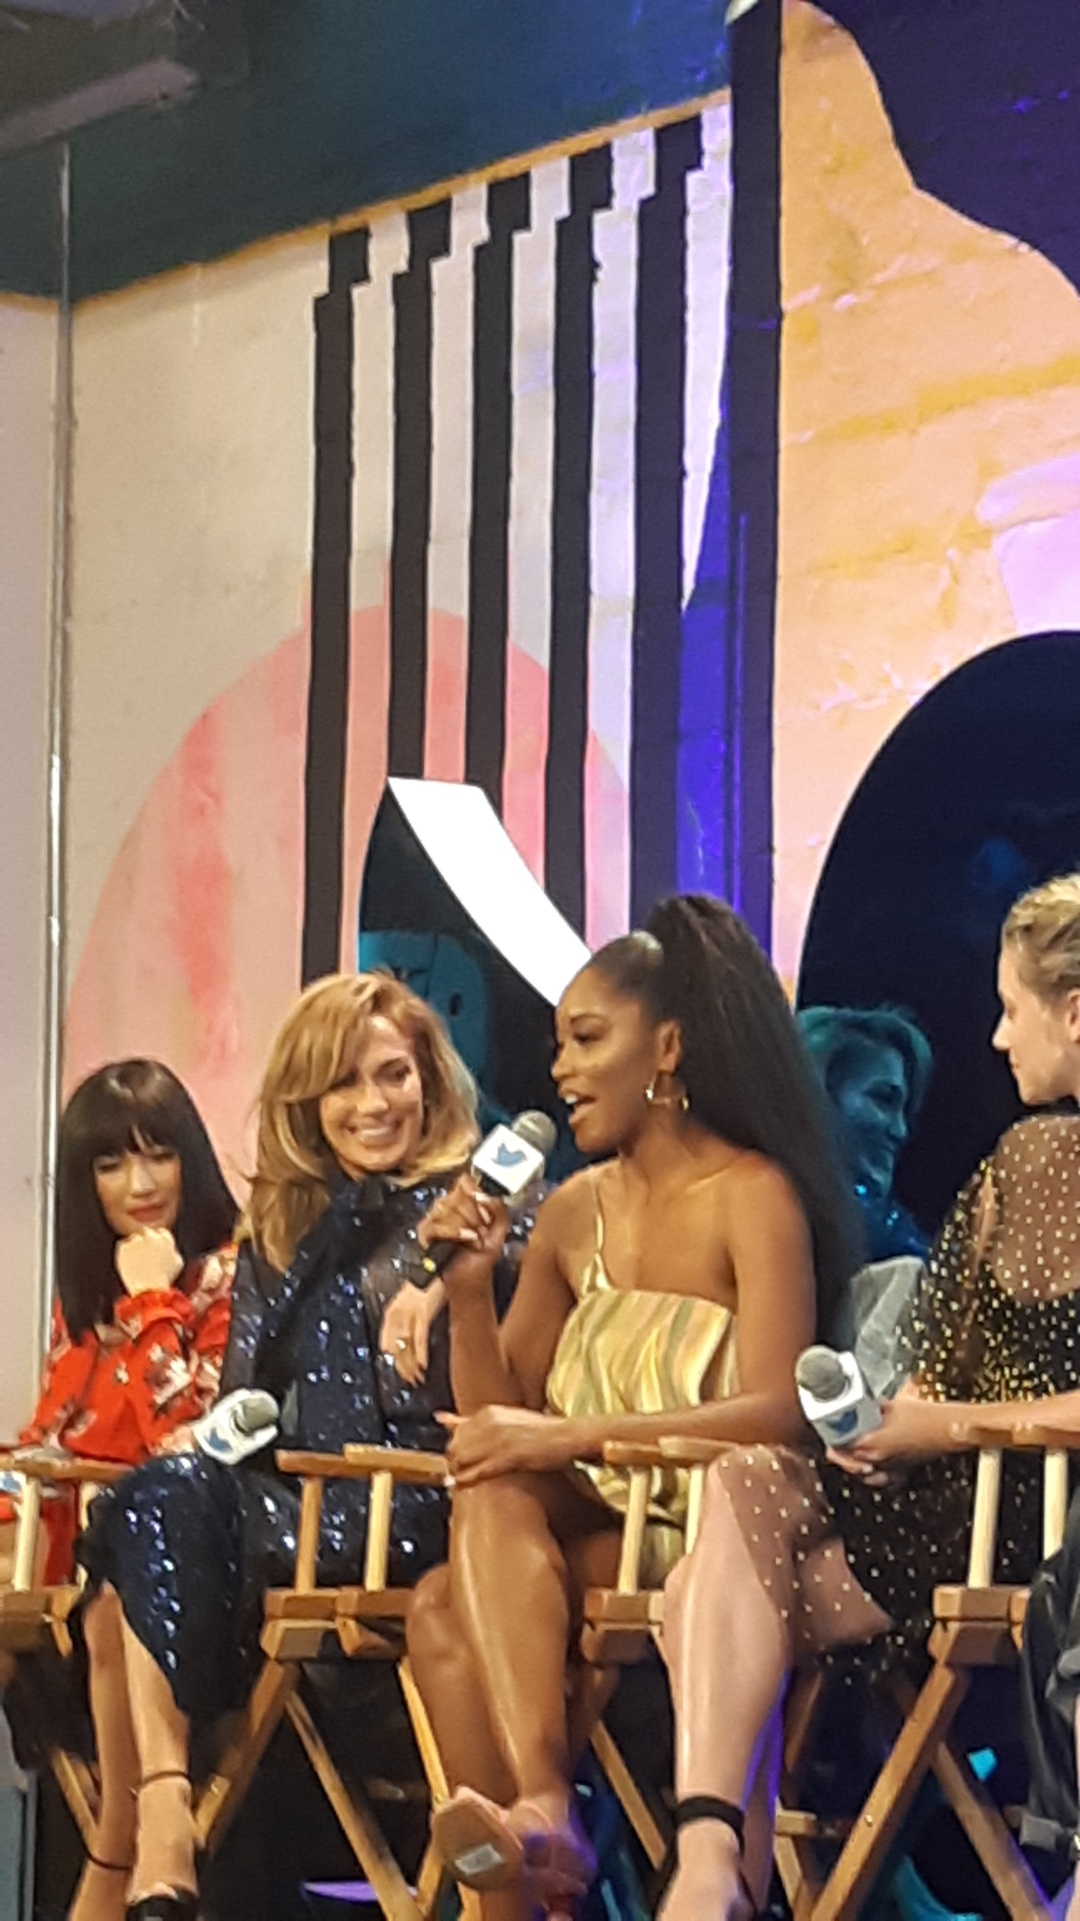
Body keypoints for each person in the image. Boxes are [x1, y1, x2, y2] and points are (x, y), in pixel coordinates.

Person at [403, 892, 856, 1920]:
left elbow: (780, 1412)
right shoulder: (571, 1211)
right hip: (579, 1519)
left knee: (442, 1611)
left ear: (669, 1047)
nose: (560, 1068)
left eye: (586, 1038)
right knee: (467, 1538)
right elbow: (497, 1421)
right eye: (558, 1045)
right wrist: (468, 1294)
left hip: (708, 1536)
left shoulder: (754, 1195)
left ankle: (532, 1862)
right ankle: (543, 1806)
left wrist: (574, 1434)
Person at [659, 873, 1080, 1921]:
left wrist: (950, 1426)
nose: (996, 1038)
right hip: (946, 1503)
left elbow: (959, 1408)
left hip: (1046, 1519)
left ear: (1073, 1012)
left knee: (693, 1604)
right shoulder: (1014, 1162)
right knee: (748, 1485)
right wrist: (886, 1430)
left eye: (1011, 1009)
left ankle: (727, 1880)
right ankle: (710, 1859)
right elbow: (936, 1365)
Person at [62, 973, 519, 1921]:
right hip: (295, 1504)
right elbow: (249, 1404)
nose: (373, 1103)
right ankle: (164, 1811)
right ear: (307, 1100)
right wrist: (193, 1446)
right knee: (152, 1500)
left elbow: (502, 1389)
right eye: (343, 1083)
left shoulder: (479, 1204)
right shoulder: (283, 1224)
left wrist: (447, 1282)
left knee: (132, 1563)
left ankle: (138, 1839)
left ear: (430, 1078)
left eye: (393, 1074)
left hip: (416, 1504)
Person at [0, 1059, 238, 1588]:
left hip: (167, 1549)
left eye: (161, 1157)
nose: (141, 1185)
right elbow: (51, 1436)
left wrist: (152, 1301)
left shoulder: (230, 1277)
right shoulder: (90, 1291)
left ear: (192, 1162)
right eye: (111, 1166)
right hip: (59, 1538)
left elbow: (187, 1444)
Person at [797, 1004, 932, 1265]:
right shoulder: (760, 1207)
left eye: (904, 1111)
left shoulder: (900, 1253)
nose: (901, 1130)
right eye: (883, 1098)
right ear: (816, 1095)